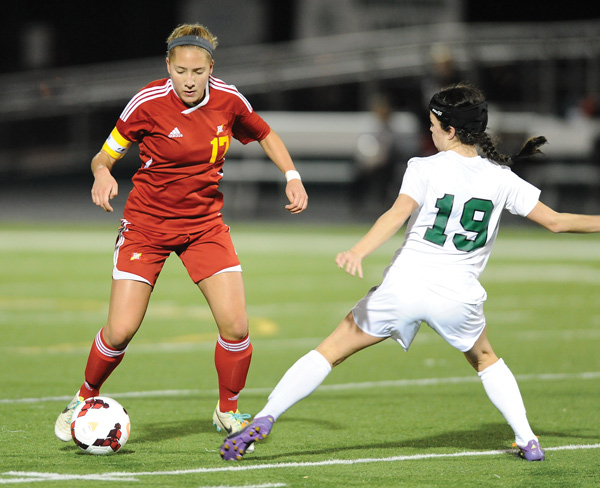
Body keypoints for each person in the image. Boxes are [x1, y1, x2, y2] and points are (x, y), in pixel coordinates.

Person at [220, 81, 600, 462]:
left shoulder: (424, 167)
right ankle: (527, 438)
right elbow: (556, 222)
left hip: (404, 287)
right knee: (486, 359)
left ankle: (268, 415)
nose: (430, 130)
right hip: (458, 296)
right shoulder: (501, 178)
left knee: (330, 351)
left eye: (433, 124)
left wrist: (359, 250)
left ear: (450, 129)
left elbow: (397, 214)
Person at [54, 23, 308, 444]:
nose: (189, 81)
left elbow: (265, 133)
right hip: (146, 228)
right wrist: (102, 173)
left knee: (237, 327)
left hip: (203, 227)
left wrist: (292, 175)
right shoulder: (147, 102)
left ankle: (227, 410)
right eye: (180, 71)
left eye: (198, 71)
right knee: (120, 331)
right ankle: (84, 397)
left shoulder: (229, 100)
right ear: (167, 66)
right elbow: (105, 153)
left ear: (211, 67)